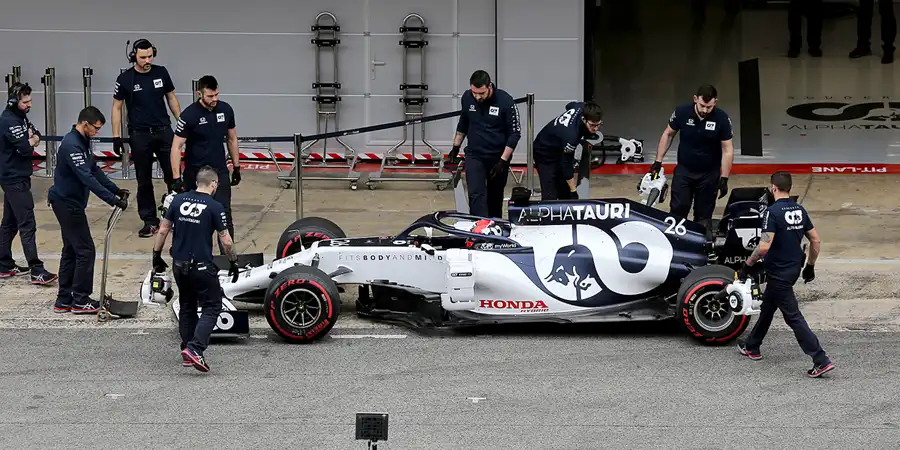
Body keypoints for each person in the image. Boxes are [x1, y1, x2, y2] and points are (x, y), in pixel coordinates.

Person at [736, 171, 834, 378]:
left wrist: (747, 264)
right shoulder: (800, 210)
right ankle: (752, 346)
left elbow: (763, 247)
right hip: (793, 269)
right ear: (789, 188)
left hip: (778, 272)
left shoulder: (772, 212)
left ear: (773, 188)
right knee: (769, 306)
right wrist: (811, 266)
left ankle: (820, 359)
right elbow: (815, 240)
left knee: (793, 317)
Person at [151, 165, 238, 373]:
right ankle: (195, 348)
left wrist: (156, 255)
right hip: (201, 266)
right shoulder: (215, 207)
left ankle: (187, 347)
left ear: (197, 182)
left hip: (179, 265)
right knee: (213, 306)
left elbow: (163, 229)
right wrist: (233, 261)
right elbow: (225, 241)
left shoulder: (178, 200)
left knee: (187, 305)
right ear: (214, 183)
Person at [47, 106, 129, 314]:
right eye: (96, 128)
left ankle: (64, 299)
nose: (97, 132)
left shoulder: (82, 142)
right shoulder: (71, 145)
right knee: (85, 250)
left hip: (71, 202)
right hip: (66, 204)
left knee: (71, 250)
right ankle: (81, 299)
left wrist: (115, 189)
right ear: (85, 124)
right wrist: (112, 200)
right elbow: (87, 178)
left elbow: (94, 169)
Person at [112, 38, 181, 237]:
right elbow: (117, 107)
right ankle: (150, 220)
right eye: (143, 57)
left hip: (163, 131)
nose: (147, 60)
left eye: (150, 56)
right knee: (144, 180)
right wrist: (116, 136)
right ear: (134, 56)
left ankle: (176, 216)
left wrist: (181, 123)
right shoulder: (125, 79)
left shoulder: (161, 72)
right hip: (139, 134)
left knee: (174, 175)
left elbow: (171, 98)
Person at [649, 84, 734, 237]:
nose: (705, 110)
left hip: (709, 175)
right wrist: (658, 161)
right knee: (678, 209)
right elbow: (668, 134)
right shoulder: (682, 112)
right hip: (684, 171)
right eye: (702, 105)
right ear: (695, 99)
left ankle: (700, 250)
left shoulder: (722, 118)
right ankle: (674, 243)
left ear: (715, 101)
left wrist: (724, 178)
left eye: (709, 106)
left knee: (703, 216)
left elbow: (727, 149)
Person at [169, 75, 240, 254]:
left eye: (216, 94)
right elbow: (176, 146)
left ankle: (227, 258)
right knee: (194, 215)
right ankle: (195, 253)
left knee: (224, 215)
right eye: (210, 96)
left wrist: (237, 167)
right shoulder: (189, 115)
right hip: (196, 173)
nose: (214, 99)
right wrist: (176, 177)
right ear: (199, 93)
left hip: (219, 171)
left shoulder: (226, 109)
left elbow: (232, 138)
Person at [0, 82, 57, 284]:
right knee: (27, 223)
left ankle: (4, 263)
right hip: (13, 178)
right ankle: (36, 269)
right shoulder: (9, 121)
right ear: (14, 101)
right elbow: (26, 147)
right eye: (25, 102)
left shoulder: (20, 116)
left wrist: (32, 139)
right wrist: (31, 141)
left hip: (18, 175)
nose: (29, 105)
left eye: (30, 100)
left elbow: (36, 133)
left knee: (10, 222)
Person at [448, 70, 521, 218]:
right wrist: (455, 147)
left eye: (481, 93)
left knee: (495, 196)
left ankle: (494, 226)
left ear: (490, 86)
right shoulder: (468, 98)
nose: (477, 97)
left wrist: (502, 161)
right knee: (476, 194)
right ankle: (478, 228)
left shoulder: (505, 101)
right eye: (474, 92)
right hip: (475, 155)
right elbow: (464, 122)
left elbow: (514, 134)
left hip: (498, 157)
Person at [532, 101, 603, 200]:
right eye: (592, 125)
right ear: (583, 119)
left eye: (598, 125)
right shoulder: (571, 136)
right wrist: (573, 190)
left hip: (559, 146)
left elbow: (569, 105)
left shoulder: (581, 107)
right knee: (550, 193)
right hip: (543, 151)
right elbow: (566, 164)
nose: (596, 129)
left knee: (564, 191)